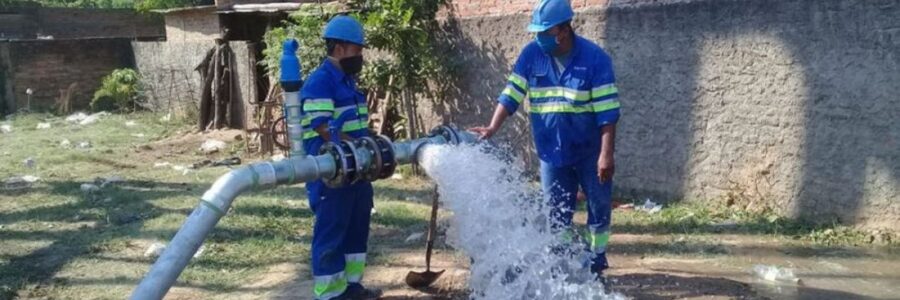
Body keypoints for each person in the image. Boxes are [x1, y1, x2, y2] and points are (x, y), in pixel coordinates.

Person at [469, 0, 621, 277]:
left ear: (563, 30)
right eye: (537, 32)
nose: (538, 37)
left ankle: (596, 260)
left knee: (598, 206)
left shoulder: (595, 59)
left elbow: (607, 113)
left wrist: (606, 154)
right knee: (556, 211)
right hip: (552, 153)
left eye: (544, 32)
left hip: (589, 152)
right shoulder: (532, 55)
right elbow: (512, 93)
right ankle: (563, 259)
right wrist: (492, 127)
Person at [300, 15, 382, 300]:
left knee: (356, 229)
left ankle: (352, 287)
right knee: (332, 231)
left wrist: (368, 142)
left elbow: (354, 126)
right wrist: (362, 145)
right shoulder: (321, 82)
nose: (360, 56)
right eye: (357, 50)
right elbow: (323, 128)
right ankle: (330, 294)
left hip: (356, 170)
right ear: (339, 48)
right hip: (332, 172)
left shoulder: (348, 81)